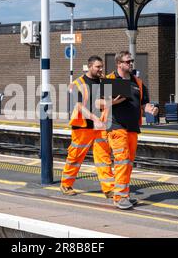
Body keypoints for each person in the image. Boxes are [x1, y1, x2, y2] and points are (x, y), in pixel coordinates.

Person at [102, 51, 158, 210]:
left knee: (128, 163)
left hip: (133, 128)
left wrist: (150, 110)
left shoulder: (137, 82)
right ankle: (119, 197)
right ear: (119, 63)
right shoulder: (110, 80)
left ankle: (124, 195)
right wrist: (110, 101)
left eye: (131, 61)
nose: (131, 64)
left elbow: (143, 104)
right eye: (127, 61)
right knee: (121, 161)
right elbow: (98, 103)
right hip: (116, 126)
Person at [60, 56, 115, 199]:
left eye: (101, 66)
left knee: (104, 157)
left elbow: (104, 102)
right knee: (76, 157)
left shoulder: (104, 82)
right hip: (82, 126)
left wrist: (111, 101)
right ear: (90, 66)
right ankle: (66, 184)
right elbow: (78, 106)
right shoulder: (77, 84)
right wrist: (93, 117)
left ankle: (109, 189)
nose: (101, 69)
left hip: (100, 126)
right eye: (98, 67)